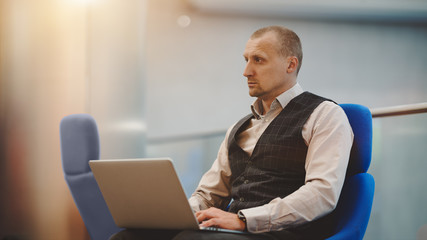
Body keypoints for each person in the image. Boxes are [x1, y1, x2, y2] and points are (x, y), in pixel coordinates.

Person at [110, 25, 353, 240]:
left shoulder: (324, 115)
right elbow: (209, 193)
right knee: (126, 237)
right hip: (233, 230)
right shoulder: (239, 128)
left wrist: (244, 220)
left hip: (283, 233)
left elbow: (322, 194)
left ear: (291, 64)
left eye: (258, 60)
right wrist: (183, 213)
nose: (246, 71)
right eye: (246, 59)